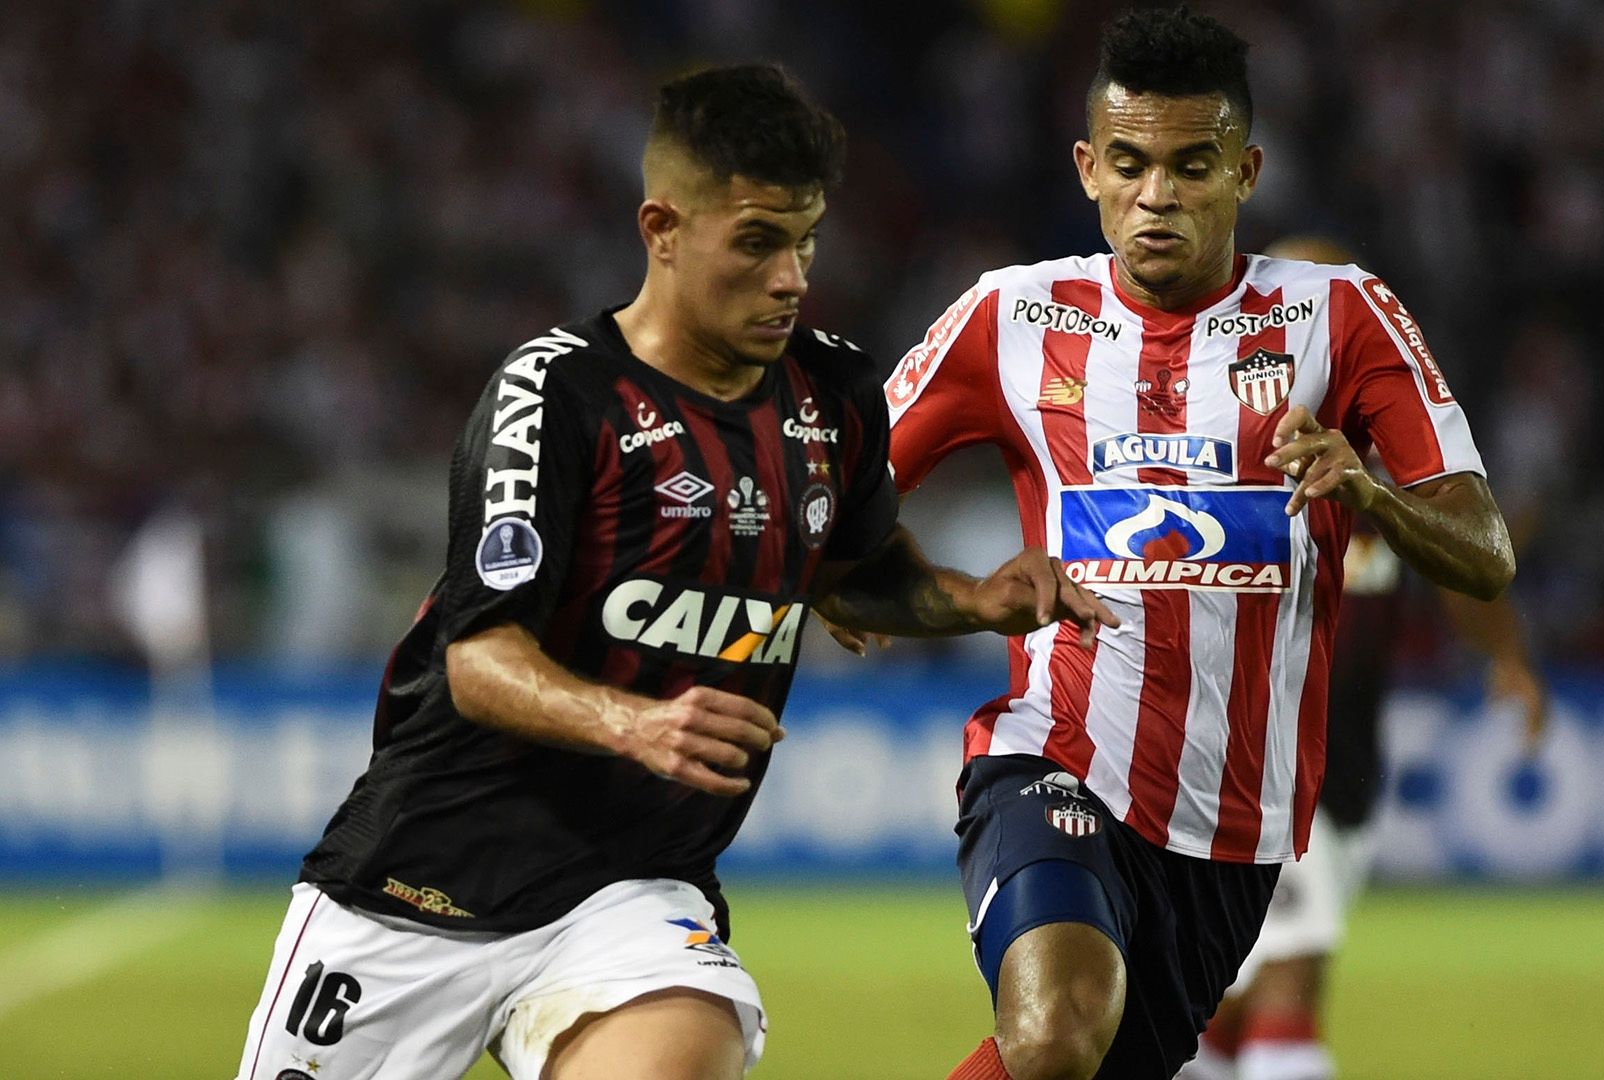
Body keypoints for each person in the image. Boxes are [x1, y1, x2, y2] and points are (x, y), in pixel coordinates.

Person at [232, 64, 1112, 1080]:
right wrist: (633, 723)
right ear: (662, 229)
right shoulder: (556, 394)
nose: (792, 275)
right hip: (419, 884)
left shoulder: (833, 392)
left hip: (633, 892)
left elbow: (851, 572)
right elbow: (476, 659)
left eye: (806, 238)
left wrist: (974, 598)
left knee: (682, 1054)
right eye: (757, 241)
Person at [843, 8, 1515, 1079]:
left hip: (1234, 830)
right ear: (1086, 169)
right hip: (1049, 757)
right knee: (1055, 1033)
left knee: (1080, 1065)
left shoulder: (1339, 318)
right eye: (1130, 165)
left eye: (1191, 167)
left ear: (1245, 170)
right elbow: (834, 506)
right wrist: (953, 597)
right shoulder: (1010, 318)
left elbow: (1485, 547)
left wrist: (1373, 496)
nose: (1157, 195)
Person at [1171, 239, 1552, 1080]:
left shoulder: (1382, 462)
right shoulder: (1210, 446)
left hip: (1334, 764)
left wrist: (1509, 658)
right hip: (1243, 767)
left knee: (1214, 1013)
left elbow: (1464, 572)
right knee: (1286, 990)